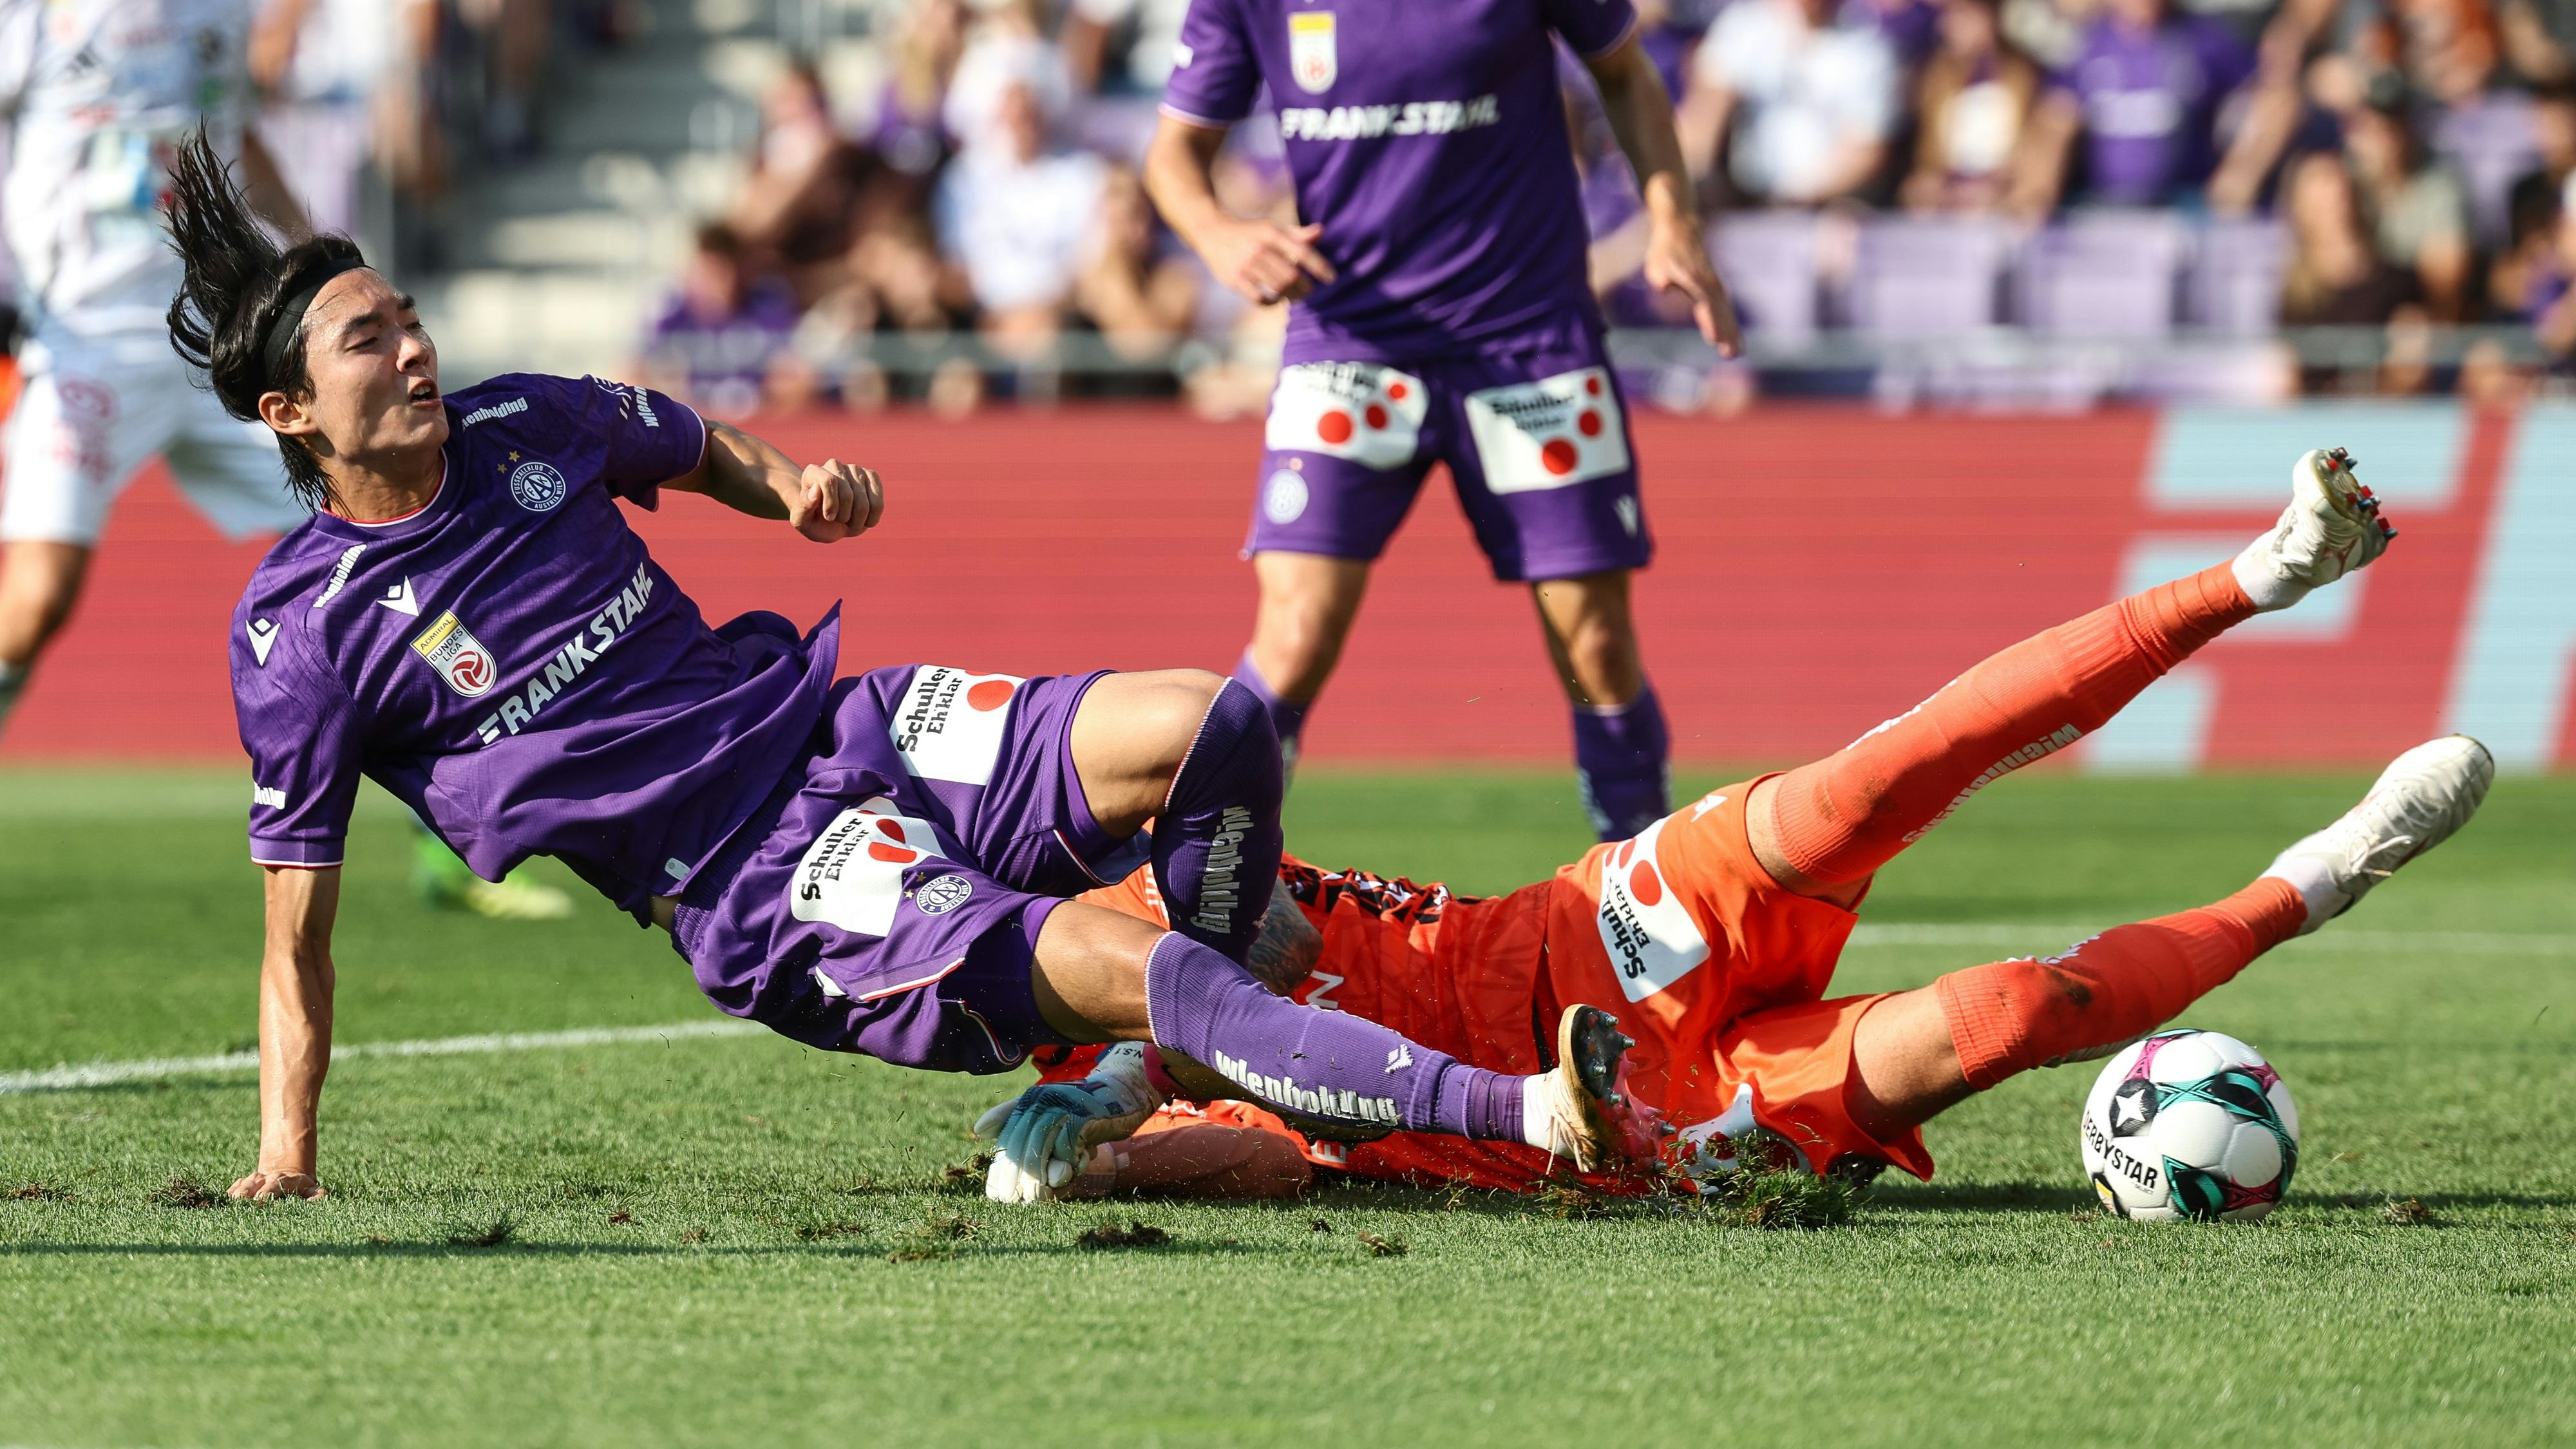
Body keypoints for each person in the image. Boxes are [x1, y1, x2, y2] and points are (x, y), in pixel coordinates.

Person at [158, 131, 1634, 1203]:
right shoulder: (304, 634)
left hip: (840, 723)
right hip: (754, 879)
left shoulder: (524, 423)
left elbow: (689, 438)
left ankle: (1186, 1047)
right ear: (291, 412)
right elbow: (296, 931)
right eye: (368, 341)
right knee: (1152, 970)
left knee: (1218, 723)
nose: (413, 350)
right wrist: (287, 1153)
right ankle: (1524, 1110)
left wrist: (790, 489)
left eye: (408, 319)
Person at [977, 450, 2494, 1204]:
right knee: (2022, 1009)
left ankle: (2257, 573)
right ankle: (2327, 872)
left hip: (1572, 937)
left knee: (1862, 785)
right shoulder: (1089, 1082)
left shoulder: (1145, 855)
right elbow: (1259, 1161)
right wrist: (1106, 1156)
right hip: (1614, 1117)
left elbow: (1244, 917)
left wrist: (1147, 1034)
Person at [1142, 0, 1740, 842]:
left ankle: (1644, 881)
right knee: (1296, 634)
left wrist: (1674, 220)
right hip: (1348, 339)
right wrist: (1217, 235)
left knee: (1597, 645)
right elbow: (1173, 152)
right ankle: (1205, 875)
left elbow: (1626, 73)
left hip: (1530, 340)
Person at [0, 0, 309, 739]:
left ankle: (459, 789)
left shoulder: (223, 11)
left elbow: (238, 140)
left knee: (369, 528)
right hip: (86, 341)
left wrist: (319, 258)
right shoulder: (33, 15)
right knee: (36, 600)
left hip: (220, 337)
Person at [1677, 0, 1905, 207]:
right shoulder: (1741, 29)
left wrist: (1792, 200)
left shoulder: (1867, 48)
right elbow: (1704, 116)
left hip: (1824, 209)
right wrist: (1700, 182)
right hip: (1738, 201)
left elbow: (1866, 151)